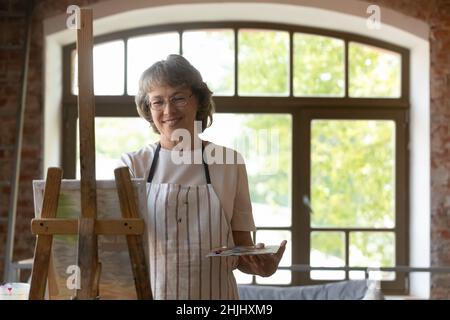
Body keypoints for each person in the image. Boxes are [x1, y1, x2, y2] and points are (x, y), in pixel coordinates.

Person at [118, 54, 286, 300]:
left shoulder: (229, 163)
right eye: (157, 102)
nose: (168, 110)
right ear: (148, 109)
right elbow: (118, 249)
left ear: (198, 100)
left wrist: (264, 266)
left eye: (178, 98)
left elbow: (240, 250)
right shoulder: (133, 165)